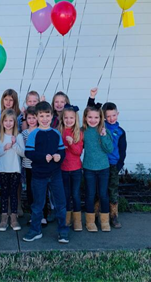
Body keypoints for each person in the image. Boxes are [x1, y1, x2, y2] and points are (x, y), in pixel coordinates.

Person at [23, 101, 69, 244]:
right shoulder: (34, 134)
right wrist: (43, 157)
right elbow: (28, 153)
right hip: (39, 175)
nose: (44, 119)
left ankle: (63, 231)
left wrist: (59, 156)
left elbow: (62, 150)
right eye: (41, 116)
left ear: (51, 116)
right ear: (36, 117)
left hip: (55, 175)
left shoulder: (56, 133)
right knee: (38, 205)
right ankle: (35, 230)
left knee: (61, 204)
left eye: (47, 116)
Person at [88, 88, 127, 228]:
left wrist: (119, 165)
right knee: (99, 190)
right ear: (103, 116)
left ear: (118, 114)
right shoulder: (99, 127)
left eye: (113, 115)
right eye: (108, 116)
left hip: (113, 165)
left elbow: (122, 150)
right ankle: (95, 215)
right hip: (100, 164)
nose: (111, 118)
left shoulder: (120, 132)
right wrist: (92, 97)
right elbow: (90, 110)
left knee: (112, 190)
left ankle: (114, 216)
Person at [82, 105, 114, 232]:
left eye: (96, 117)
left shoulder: (105, 131)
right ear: (85, 117)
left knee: (103, 194)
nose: (93, 120)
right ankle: (90, 222)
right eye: (90, 117)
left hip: (103, 168)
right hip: (89, 168)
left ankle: (104, 221)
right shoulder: (83, 131)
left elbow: (109, 149)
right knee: (90, 195)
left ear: (101, 118)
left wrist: (104, 136)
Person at [0, 109, 25, 232]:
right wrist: (4, 148)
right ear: (2, 122)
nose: (8, 123)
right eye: (5, 120)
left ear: (15, 122)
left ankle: (14, 218)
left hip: (15, 169)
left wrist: (14, 144)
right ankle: (4, 218)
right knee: (4, 194)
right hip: (2, 169)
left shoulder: (19, 136)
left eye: (11, 121)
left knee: (14, 194)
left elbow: (23, 153)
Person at [59, 104, 84, 232]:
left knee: (75, 194)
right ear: (62, 118)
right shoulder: (59, 132)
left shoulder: (78, 132)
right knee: (66, 194)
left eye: (71, 118)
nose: (69, 120)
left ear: (75, 119)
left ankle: (77, 220)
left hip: (76, 169)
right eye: (66, 118)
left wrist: (71, 143)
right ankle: (66, 219)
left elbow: (78, 152)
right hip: (63, 168)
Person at [21, 106, 46, 225]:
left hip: (40, 166)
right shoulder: (24, 133)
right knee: (30, 191)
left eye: (34, 118)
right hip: (28, 166)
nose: (31, 120)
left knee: (41, 190)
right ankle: (33, 215)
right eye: (29, 118)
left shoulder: (42, 131)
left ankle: (43, 215)